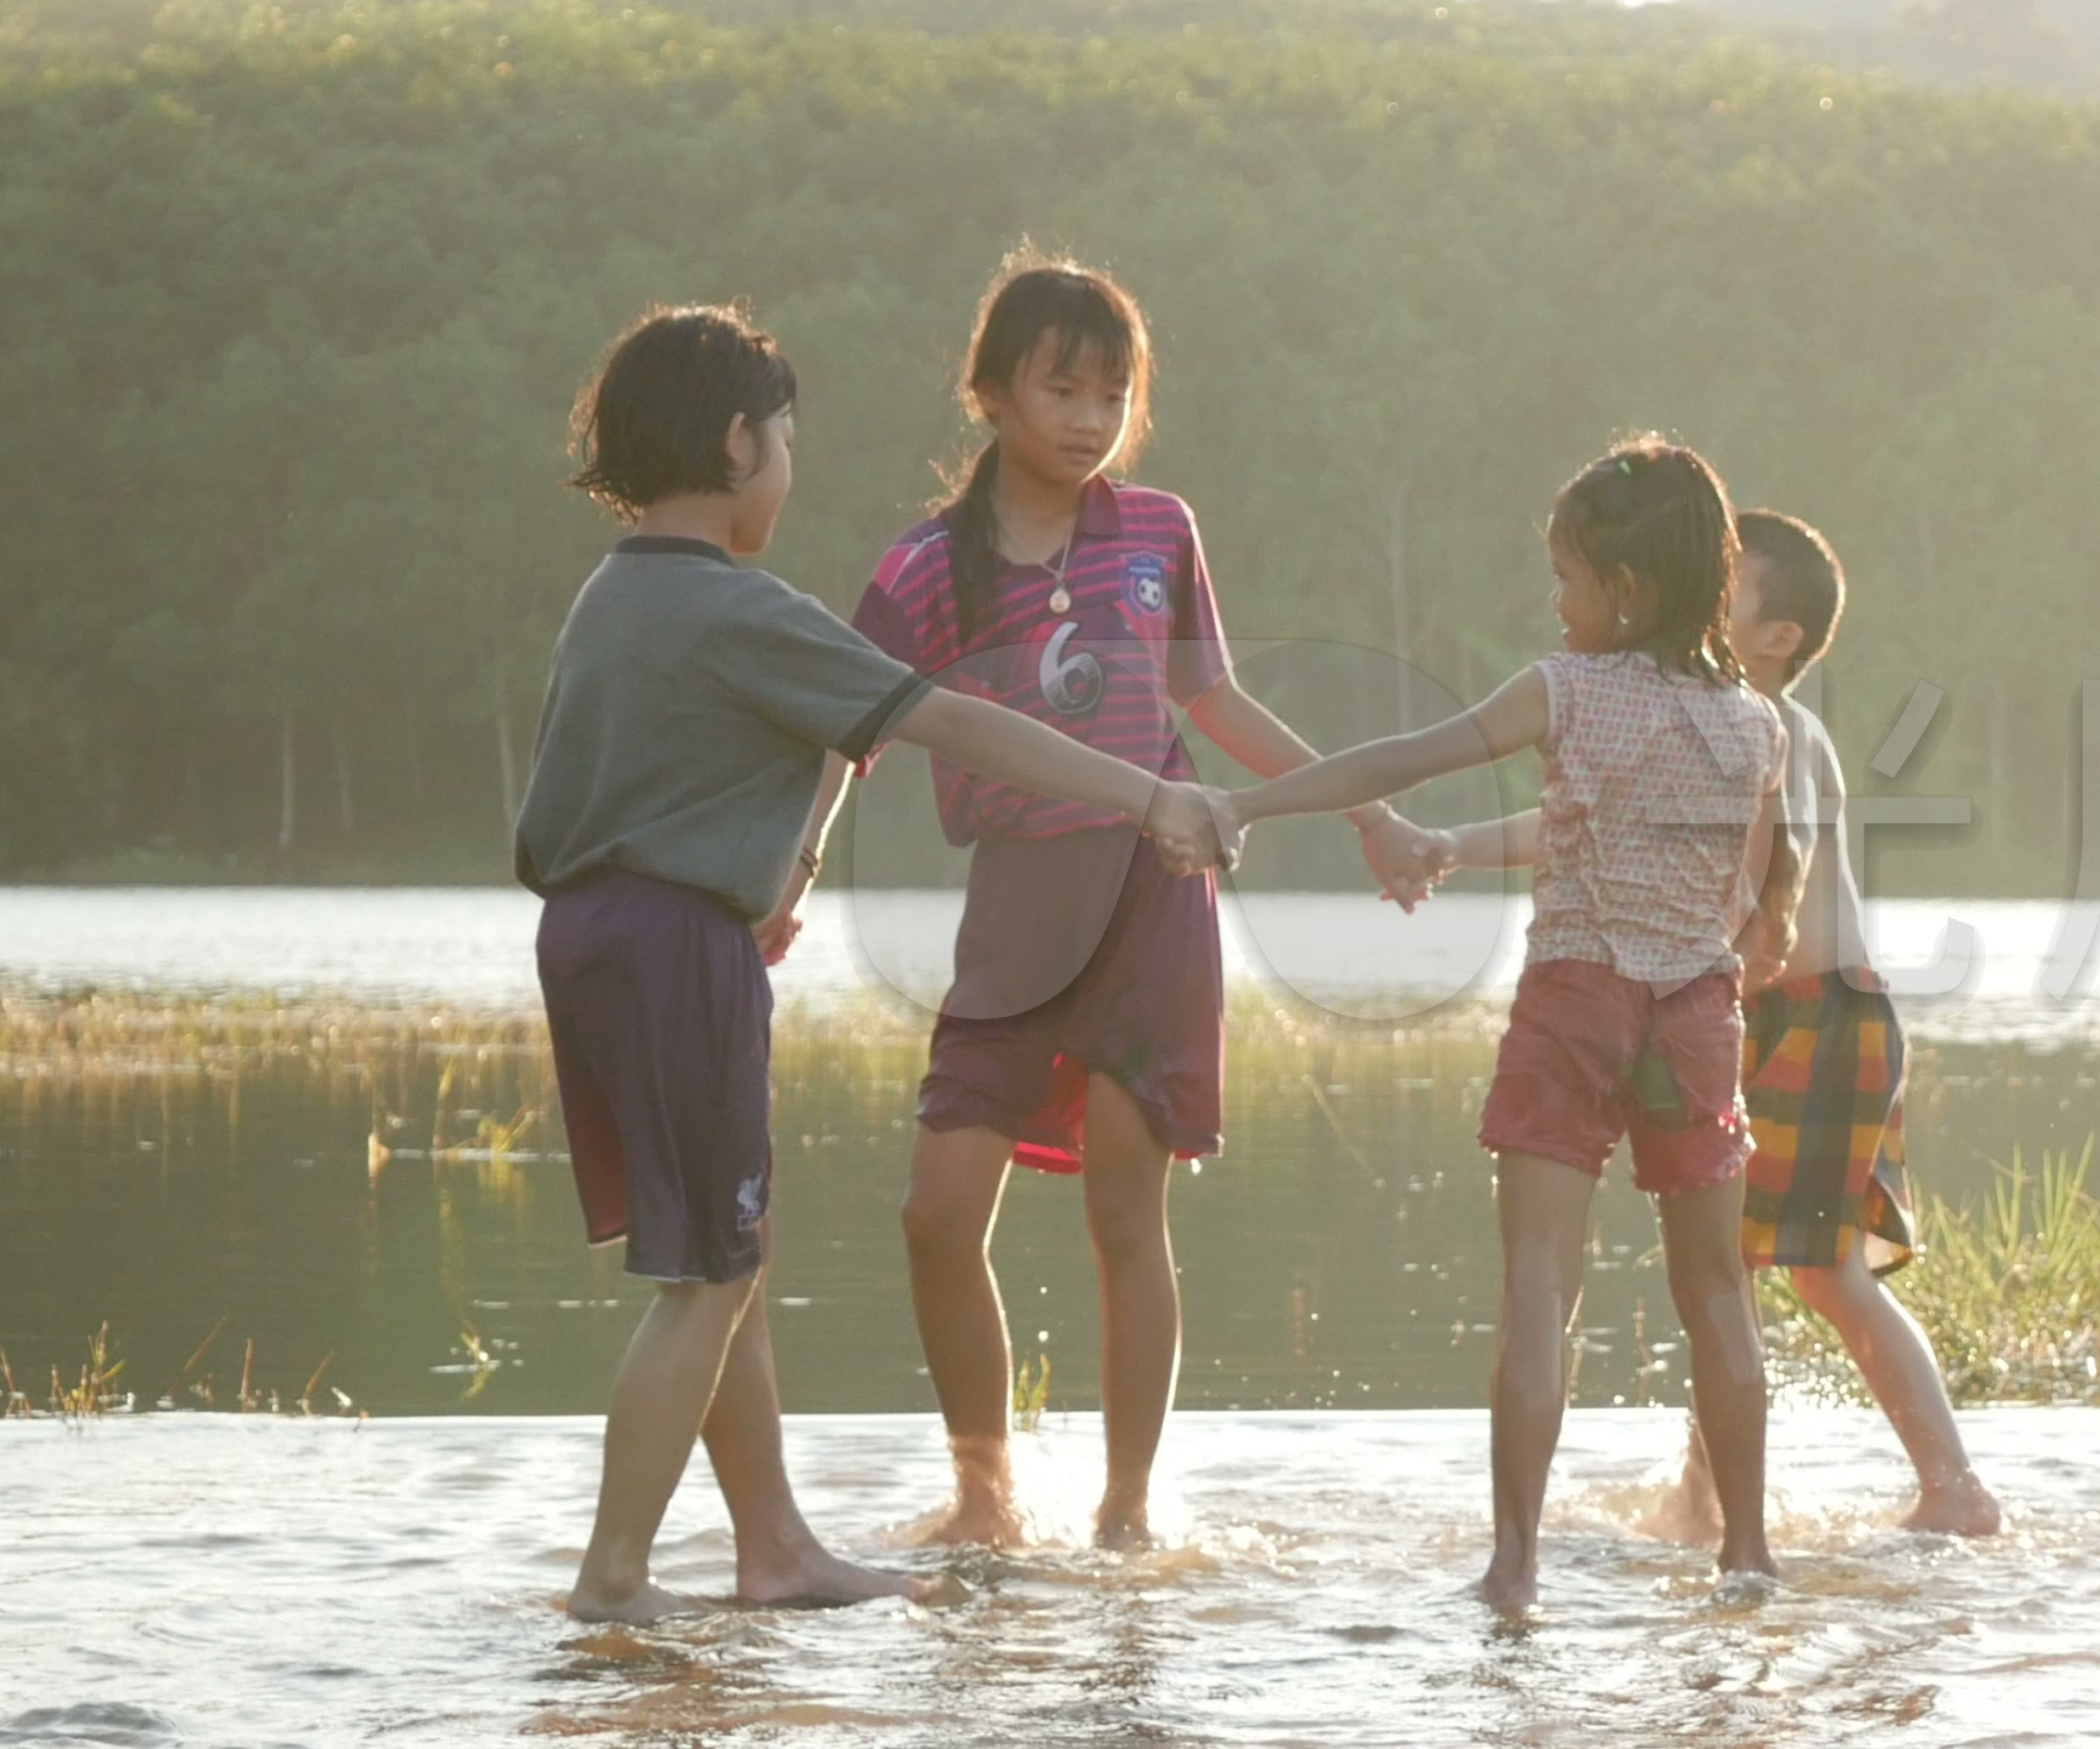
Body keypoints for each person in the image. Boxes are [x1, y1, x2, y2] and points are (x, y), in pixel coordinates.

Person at [518, 303, 1230, 1625]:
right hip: (682, 944)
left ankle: (773, 1544)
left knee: (728, 1254)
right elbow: (947, 717)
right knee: (707, 1281)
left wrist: (775, 875)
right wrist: (1145, 796)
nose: (789, 464)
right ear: (738, 444)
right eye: (783, 438)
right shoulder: (742, 609)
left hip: (591, 936)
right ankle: (612, 1580)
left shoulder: (610, 597)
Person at [773, 250, 1441, 1550]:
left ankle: (1129, 1512)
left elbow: (1217, 704)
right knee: (934, 1213)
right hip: (1019, 911)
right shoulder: (921, 569)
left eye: (1110, 391)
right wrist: (790, 875)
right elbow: (848, 730)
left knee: (1126, 1206)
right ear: (991, 393)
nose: (1087, 416)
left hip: (1153, 900)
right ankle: (986, 1497)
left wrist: (1368, 812)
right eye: (1060, 387)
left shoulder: (1158, 532)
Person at [1207, 438, 1795, 1610]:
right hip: (1694, 1013)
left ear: (1626, 588)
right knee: (1717, 1289)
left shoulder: (1562, 690)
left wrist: (1249, 800)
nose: (1556, 600)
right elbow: (1736, 875)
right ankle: (1750, 1554)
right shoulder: (1753, 726)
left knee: (1540, 1282)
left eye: (1569, 578)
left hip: (1576, 996)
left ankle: (1516, 1564)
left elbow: (1403, 757)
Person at [1427, 512, 2000, 1537]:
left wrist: (1718, 946)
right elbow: (1582, 827)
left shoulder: (1780, 730)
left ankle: (1952, 1485)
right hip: (1760, 1016)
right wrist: (1454, 846)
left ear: (1776, 637)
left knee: (1820, 1274)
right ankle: (1709, 1499)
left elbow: (1780, 873)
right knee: (1725, 1273)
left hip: (1819, 1018)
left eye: (1728, 592)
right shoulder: (1704, 725)